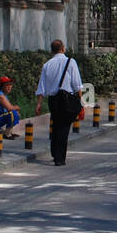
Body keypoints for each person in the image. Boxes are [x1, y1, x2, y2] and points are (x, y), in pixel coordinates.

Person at [35, 38, 84, 166]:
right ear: (63, 49)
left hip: (53, 100)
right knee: (64, 128)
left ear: (52, 51)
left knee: (55, 125)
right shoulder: (70, 62)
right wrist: (80, 101)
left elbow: (42, 86)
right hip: (67, 99)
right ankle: (59, 157)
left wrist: (39, 103)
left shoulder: (47, 65)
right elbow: (77, 84)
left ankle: (54, 152)